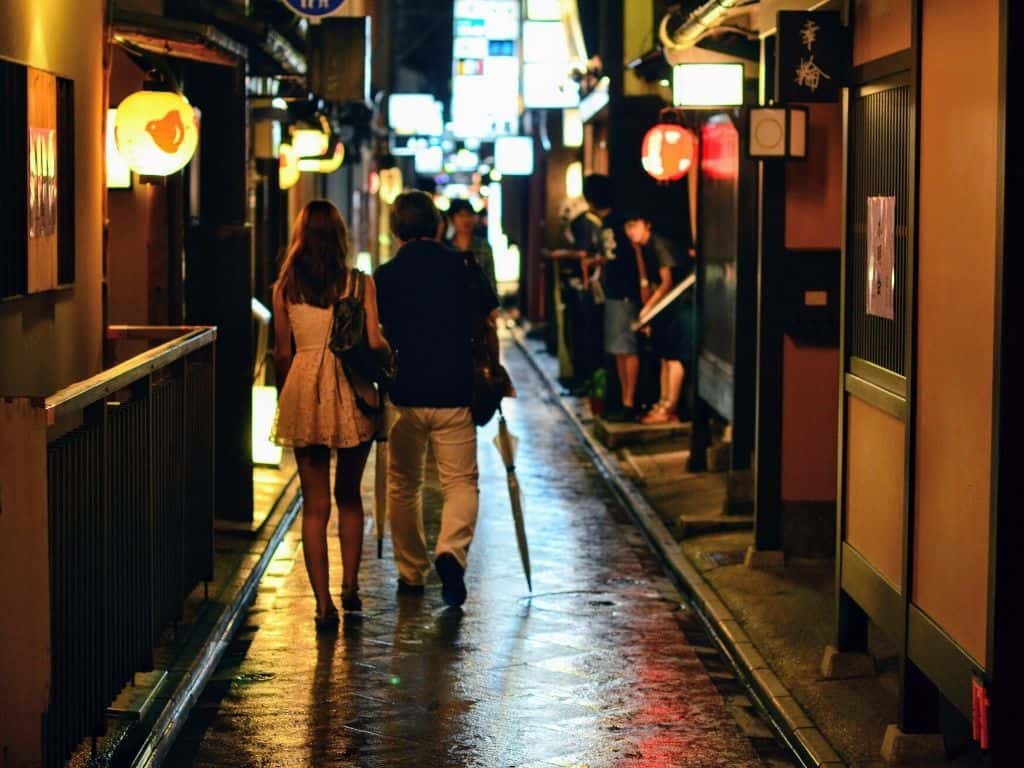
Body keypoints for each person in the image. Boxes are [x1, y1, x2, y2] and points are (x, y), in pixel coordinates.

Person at [375, 191, 500, 608]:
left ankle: (411, 571)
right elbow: (488, 323)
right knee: (461, 482)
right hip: (454, 389)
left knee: (403, 485)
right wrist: (493, 374)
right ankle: (451, 550)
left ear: (396, 229)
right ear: (438, 225)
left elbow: (378, 337)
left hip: (405, 393)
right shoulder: (462, 267)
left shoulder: (385, 276)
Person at [271, 200, 391, 628]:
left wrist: (297, 386)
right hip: (351, 389)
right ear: (340, 236)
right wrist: (388, 360)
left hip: (305, 392)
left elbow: (283, 353)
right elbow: (374, 342)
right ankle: (351, 586)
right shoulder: (358, 284)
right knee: (350, 497)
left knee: (315, 505)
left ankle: (323, 605)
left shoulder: (285, 287)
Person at [624, 214, 695, 425]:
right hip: (668, 308)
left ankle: (669, 406)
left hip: (681, 304)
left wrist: (648, 309)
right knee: (665, 354)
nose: (631, 231)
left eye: (634, 225)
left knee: (674, 356)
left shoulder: (659, 244)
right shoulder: (644, 247)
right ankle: (662, 403)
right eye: (627, 226)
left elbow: (667, 282)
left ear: (646, 224)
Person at [583, 174, 641, 422]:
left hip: (626, 291)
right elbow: (612, 255)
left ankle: (629, 402)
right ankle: (622, 401)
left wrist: (645, 283)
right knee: (618, 349)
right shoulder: (609, 224)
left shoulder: (619, 222)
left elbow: (635, 253)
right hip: (614, 291)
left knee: (626, 348)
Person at [446, 198, 498, 297]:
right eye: (461, 215)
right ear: (452, 219)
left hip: (480, 305)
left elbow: (491, 281)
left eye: (469, 215)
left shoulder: (484, 247)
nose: (466, 220)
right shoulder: (446, 248)